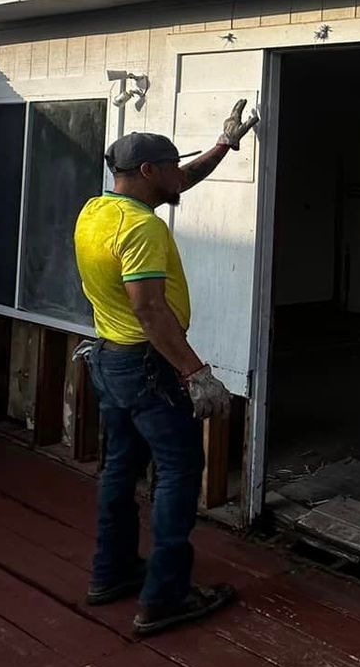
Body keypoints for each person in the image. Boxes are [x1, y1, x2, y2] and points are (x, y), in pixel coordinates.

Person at [74, 100, 257, 636]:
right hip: (148, 366)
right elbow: (149, 309)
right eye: (174, 165)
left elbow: (179, 183)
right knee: (178, 472)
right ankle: (165, 598)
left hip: (109, 360)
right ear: (149, 172)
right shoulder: (144, 231)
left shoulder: (98, 211)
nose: (183, 172)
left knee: (118, 470)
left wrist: (223, 145)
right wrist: (194, 372)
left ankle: (111, 574)